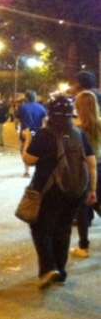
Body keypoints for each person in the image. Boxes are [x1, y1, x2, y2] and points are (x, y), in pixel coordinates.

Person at [22, 95, 96, 288]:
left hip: (48, 191)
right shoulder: (79, 134)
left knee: (40, 227)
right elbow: (92, 164)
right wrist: (92, 189)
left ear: (50, 114)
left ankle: (48, 269)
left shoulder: (45, 135)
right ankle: (60, 271)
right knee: (62, 229)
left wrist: (28, 140)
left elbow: (29, 160)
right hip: (75, 192)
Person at [72, 91, 101, 258]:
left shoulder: (77, 128)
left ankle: (84, 247)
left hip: (85, 171)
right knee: (97, 204)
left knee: (83, 209)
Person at [17, 91, 47, 178]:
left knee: (25, 149)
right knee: (39, 150)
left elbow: (18, 120)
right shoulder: (42, 108)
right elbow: (44, 122)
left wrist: (17, 128)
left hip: (26, 132)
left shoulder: (22, 107)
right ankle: (38, 170)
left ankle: (27, 171)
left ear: (26, 98)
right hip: (38, 133)